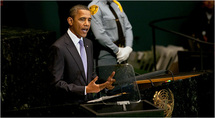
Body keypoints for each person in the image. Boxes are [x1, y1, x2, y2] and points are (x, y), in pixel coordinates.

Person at [48, 4, 115, 104]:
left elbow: (90, 75)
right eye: (82, 19)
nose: (87, 24)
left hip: (89, 105)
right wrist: (85, 89)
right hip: (70, 108)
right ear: (70, 21)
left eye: (89, 20)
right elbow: (56, 84)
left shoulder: (89, 43)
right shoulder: (59, 47)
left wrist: (104, 85)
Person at [88, 0, 133, 66]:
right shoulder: (94, 6)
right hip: (107, 54)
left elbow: (128, 27)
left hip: (124, 53)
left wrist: (128, 48)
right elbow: (99, 35)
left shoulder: (116, 4)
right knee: (108, 75)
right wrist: (117, 51)